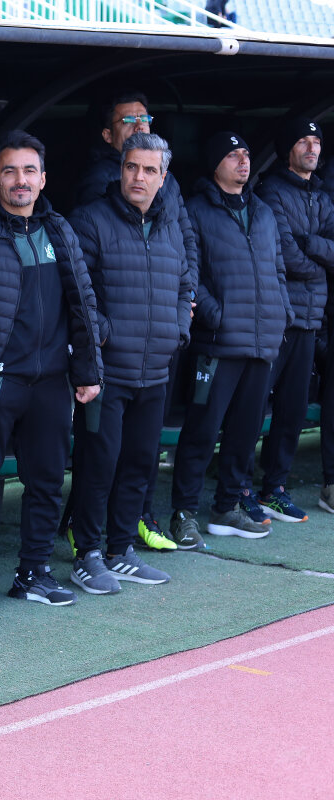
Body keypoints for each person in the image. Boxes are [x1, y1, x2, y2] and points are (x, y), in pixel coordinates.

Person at [0, 129, 103, 616]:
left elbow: (84, 303)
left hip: (50, 384)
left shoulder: (60, 230)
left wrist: (87, 369)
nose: (20, 180)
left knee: (47, 483)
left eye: (29, 170)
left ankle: (33, 573)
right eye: (9, 171)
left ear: (43, 178)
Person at [65, 133, 192, 595]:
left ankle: (120, 550)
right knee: (98, 465)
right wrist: (105, 333)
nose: (139, 177)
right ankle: (88, 555)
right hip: (107, 372)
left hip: (155, 369)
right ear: (121, 169)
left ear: (163, 177)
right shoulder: (91, 219)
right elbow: (76, 292)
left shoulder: (170, 225)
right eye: (132, 166)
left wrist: (178, 329)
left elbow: (185, 284)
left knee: (139, 464)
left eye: (150, 170)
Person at [169, 132, 292, 547]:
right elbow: (188, 272)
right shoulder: (195, 210)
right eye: (233, 154)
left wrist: (281, 312)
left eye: (246, 154)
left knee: (244, 433)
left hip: (262, 341)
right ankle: (184, 513)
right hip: (218, 343)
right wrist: (215, 314)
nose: (243, 160)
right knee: (201, 432)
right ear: (215, 163)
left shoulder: (264, 212)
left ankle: (226, 508)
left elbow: (278, 269)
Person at [253, 119, 334, 522]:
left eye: (316, 141)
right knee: (253, 408)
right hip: (277, 317)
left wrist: (311, 245)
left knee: (293, 410)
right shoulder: (270, 190)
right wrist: (320, 261)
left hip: (310, 318)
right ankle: (238, 490)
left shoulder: (321, 195)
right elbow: (284, 256)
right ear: (288, 149)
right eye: (303, 141)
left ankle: (275, 488)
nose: (312, 148)